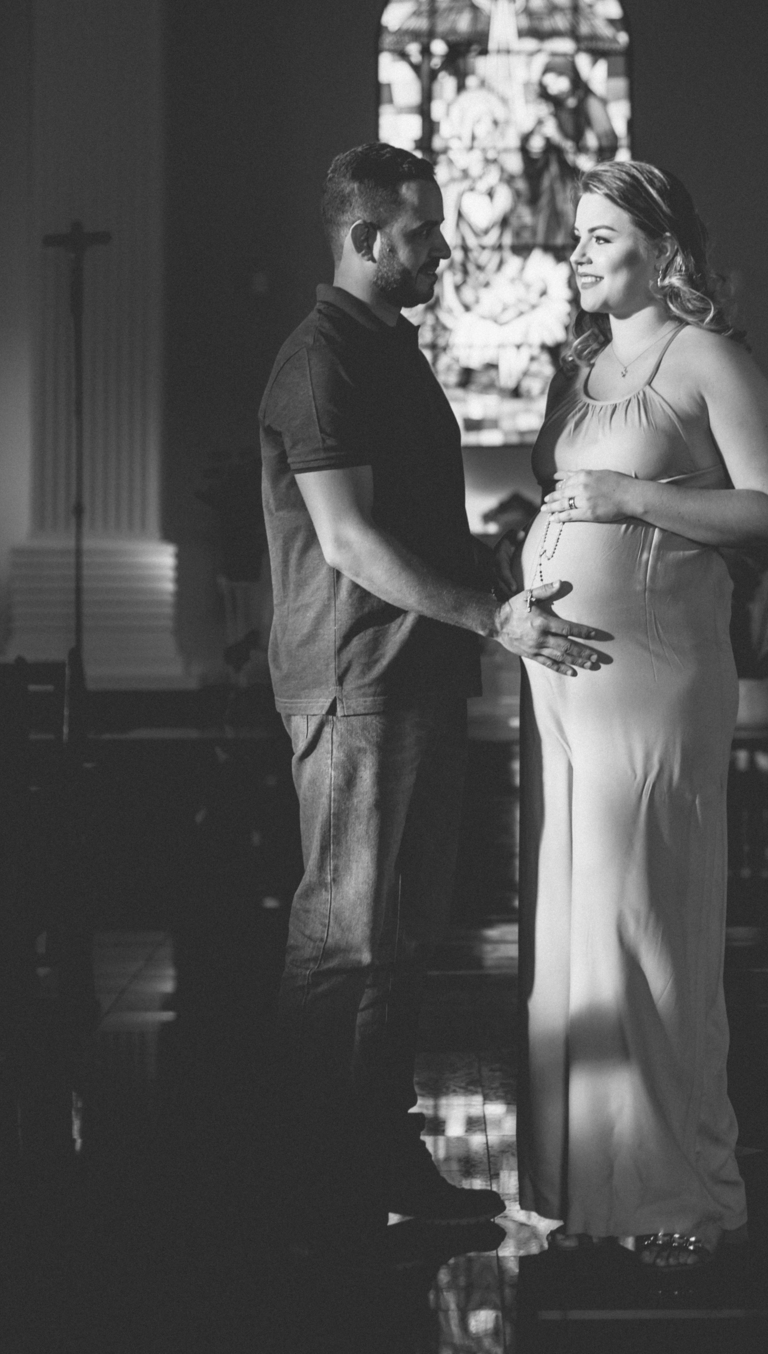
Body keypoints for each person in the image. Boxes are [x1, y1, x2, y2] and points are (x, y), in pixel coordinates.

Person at [258, 142, 605, 1258]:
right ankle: (308, 1169)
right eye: (423, 231)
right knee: (340, 935)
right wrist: (490, 615)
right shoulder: (321, 363)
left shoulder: (387, 351)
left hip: (417, 672)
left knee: (398, 939)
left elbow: (413, 519)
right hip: (357, 677)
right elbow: (352, 541)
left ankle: (379, 1150)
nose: (445, 247)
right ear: (366, 239)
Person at [516, 159, 768, 1272]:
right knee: (576, 932)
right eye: (575, 239)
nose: (578, 256)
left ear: (664, 249)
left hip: (657, 677)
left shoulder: (708, 360)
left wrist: (635, 498)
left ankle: (682, 1189)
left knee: (648, 922)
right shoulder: (580, 370)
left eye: (599, 237)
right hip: (565, 683)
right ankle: (585, 1184)